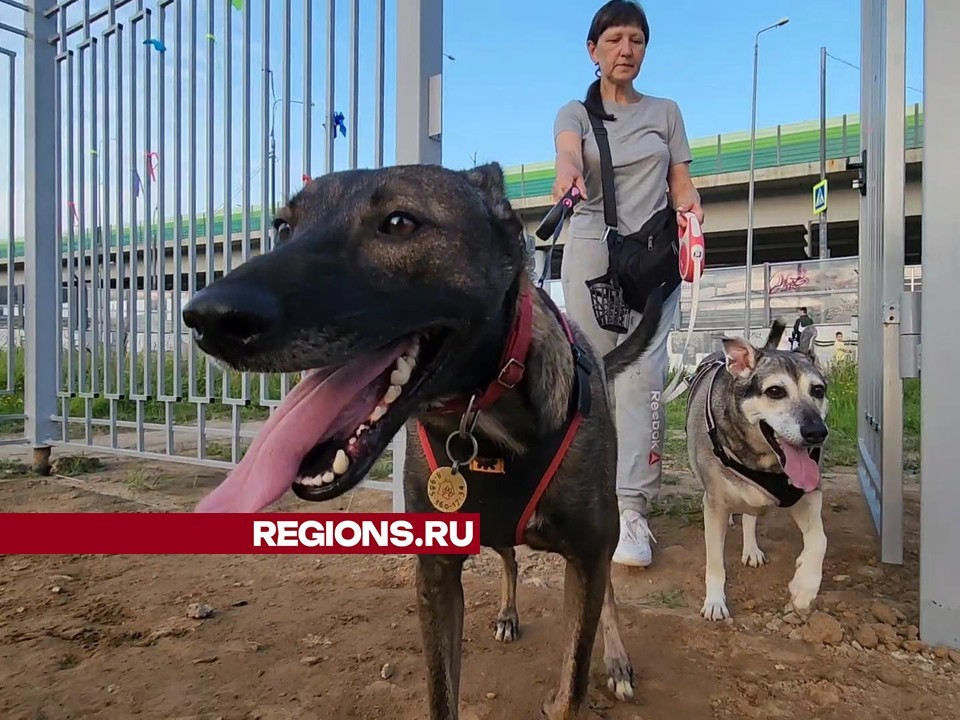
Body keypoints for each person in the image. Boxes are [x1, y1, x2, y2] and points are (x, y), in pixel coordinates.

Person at [551, 0, 704, 568]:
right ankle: (588, 494)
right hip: (593, 253)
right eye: (614, 39)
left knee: (644, 378)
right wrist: (567, 176)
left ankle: (632, 508)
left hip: (655, 256)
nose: (625, 49)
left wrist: (692, 214)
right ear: (593, 51)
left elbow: (681, 183)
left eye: (636, 39)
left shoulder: (666, 111)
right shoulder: (575, 112)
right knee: (594, 374)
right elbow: (568, 154)